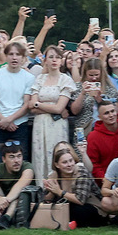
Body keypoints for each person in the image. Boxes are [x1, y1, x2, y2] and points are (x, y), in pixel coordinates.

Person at [27, 45, 77, 182]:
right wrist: (45, 106)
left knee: (57, 155)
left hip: (57, 124)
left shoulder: (65, 80)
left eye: (57, 57)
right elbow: (31, 106)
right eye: (51, 57)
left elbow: (59, 108)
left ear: (61, 60)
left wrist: (39, 104)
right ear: (45, 60)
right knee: (39, 156)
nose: (54, 60)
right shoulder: (39, 79)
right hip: (39, 124)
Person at [0, 41, 35, 169]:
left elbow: (26, 104)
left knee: (21, 163)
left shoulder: (29, 77)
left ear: (23, 58)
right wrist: (3, 120)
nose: (14, 57)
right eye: (11, 54)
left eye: (18, 54)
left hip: (20, 125)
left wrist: (9, 120)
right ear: (5, 56)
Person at [41, 143, 108, 228]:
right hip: (68, 205)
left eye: (71, 161)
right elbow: (46, 200)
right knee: (54, 208)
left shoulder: (81, 172)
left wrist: (59, 191)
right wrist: (51, 190)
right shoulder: (54, 175)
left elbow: (80, 200)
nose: (69, 165)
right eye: (65, 162)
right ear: (57, 165)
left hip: (92, 206)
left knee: (76, 210)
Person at [0, 140, 34, 230]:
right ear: (4, 159)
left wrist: (2, 204)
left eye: (19, 156)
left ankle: (6, 219)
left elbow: (19, 186)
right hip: (2, 201)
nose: (16, 161)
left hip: (20, 206)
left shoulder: (28, 167)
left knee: (19, 193)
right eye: (12, 157)